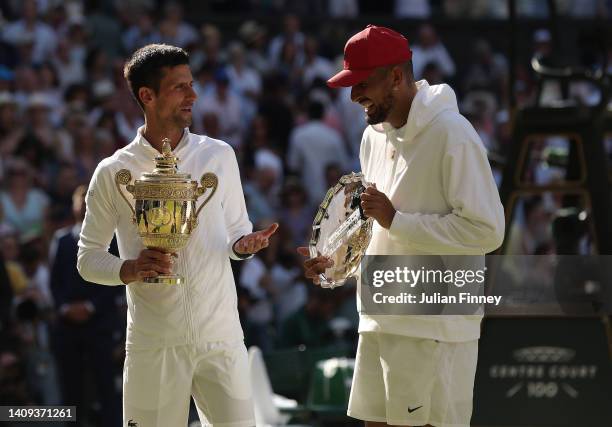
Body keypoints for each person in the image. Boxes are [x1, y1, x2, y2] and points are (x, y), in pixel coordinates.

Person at [298, 25, 504, 427]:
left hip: (434, 325)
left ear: (396, 76)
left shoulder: (453, 134)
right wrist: (337, 262)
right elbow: (376, 228)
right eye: (349, 84)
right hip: (379, 317)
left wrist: (398, 220)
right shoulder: (371, 137)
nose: (354, 95)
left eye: (362, 83)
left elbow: (487, 231)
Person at [77, 44, 278, 427]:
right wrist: (130, 269)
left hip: (221, 337)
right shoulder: (111, 171)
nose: (193, 95)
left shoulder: (220, 154)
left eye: (192, 84)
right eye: (180, 87)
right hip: (154, 343)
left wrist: (244, 246)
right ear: (147, 96)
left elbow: (237, 232)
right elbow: (87, 259)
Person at [50, 185, 123, 426]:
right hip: (68, 327)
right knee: (71, 387)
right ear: (72, 206)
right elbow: (55, 283)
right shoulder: (61, 241)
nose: (82, 205)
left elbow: (115, 281)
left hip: (99, 326)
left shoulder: (111, 241)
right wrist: (65, 309)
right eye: (78, 200)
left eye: (87, 200)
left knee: (106, 386)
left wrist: (90, 307)